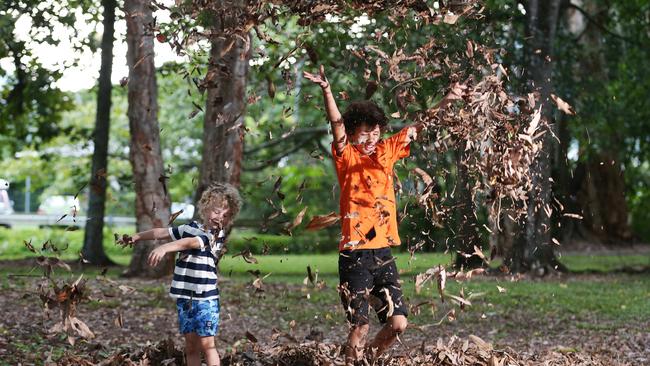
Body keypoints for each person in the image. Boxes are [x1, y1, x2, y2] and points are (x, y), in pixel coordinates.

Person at [303, 65, 450, 364]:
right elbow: (336, 124)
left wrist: (449, 99)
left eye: (375, 131)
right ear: (354, 133)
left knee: (398, 324)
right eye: (364, 132)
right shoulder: (347, 157)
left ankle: (366, 359)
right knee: (360, 325)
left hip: (382, 253)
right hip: (354, 254)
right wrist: (327, 90)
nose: (371, 137)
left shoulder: (388, 150)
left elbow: (420, 125)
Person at [122, 182, 242, 366]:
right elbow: (164, 232)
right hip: (185, 298)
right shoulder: (190, 227)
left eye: (226, 215)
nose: (220, 218)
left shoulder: (215, 235)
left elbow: (191, 243)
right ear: (205, 208)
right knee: (191, 346)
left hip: (206, 299)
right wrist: (138, 236)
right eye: (217, 211)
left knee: (207, 345)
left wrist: (165, 248)